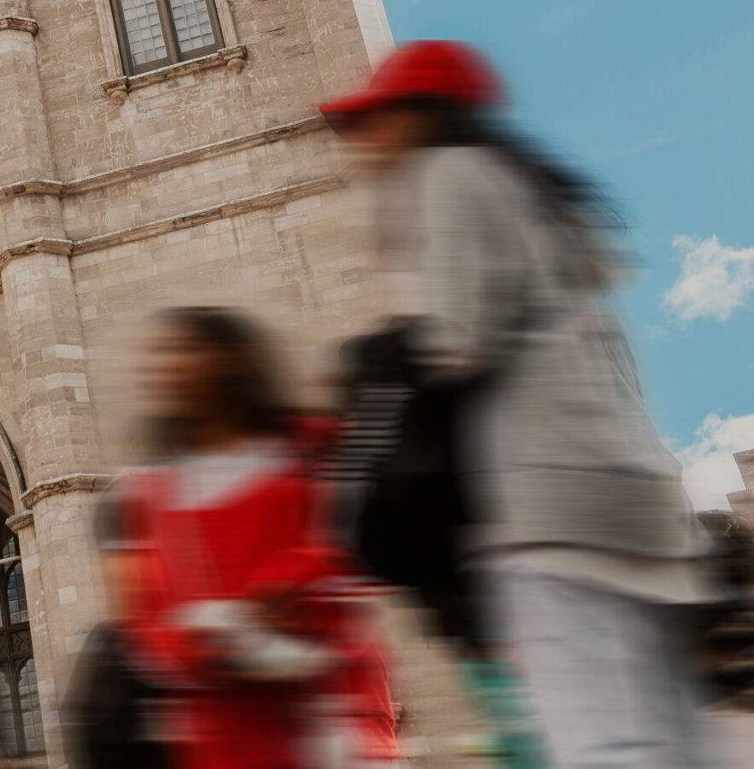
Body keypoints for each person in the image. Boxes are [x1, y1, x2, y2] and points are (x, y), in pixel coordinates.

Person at [323, 41, 722, 769]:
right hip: (640, 501)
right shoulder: (550, 205)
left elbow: (457, 339)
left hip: (547, 505)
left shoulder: (448, 174)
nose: (367, 141)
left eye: (378, 119)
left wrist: (380, 366)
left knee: (597, 743)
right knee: (672, 743)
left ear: (420, 115)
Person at [111, 307, 399, 769]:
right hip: (226, 735)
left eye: (186, 349)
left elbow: (362, 544)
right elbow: (145, 622)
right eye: (159, 353)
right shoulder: (151, 495)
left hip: (332, 718)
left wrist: (282, 593)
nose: (166, 366)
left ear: (237, 359)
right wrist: (201, 643)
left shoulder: (310, 448)